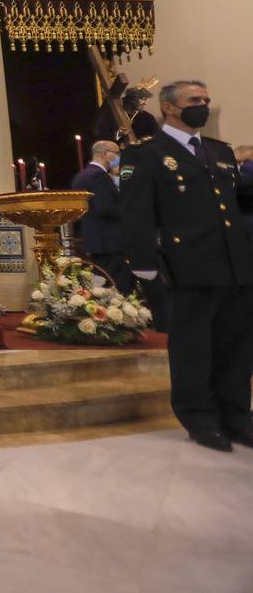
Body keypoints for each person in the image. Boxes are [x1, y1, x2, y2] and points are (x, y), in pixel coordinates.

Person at [119, 80, 253, 453]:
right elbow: (135, 212)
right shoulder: (145, 155)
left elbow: (236, 203)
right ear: (169, 108)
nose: (203, 105)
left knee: (237, 345)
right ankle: (199, 416)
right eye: (195, 100)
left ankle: (237, 415)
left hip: (236, 264)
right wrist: (143, 264)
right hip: (188, 265)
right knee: (193, 346)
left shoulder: (219, 151)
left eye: (206, 99)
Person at [70, 139, 132, 293]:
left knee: (102, 288)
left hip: (94, 240)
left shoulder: (82, 176)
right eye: (117, 153)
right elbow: (106, 208)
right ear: (105, 154)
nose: (120, 156)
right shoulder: (99, 176)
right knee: (116, 288)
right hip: (109, 242)